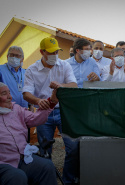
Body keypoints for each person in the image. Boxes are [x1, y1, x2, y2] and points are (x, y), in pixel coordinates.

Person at [22, 37, 78, 184]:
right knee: (46, 151)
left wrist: (61, 86)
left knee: (73, 147)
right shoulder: (32, 70)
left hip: (63, 112)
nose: (55, 55)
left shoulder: (64, 65)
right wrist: (38, 101)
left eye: (57, 52)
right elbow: (26, 93)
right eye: (51, 52)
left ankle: (68, 180)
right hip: (43, 113)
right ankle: (49, 180)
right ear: (42, 52)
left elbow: (73, 85)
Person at [0, 82, 58, 185]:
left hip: (22, 157)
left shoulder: (16, 109)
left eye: (9, 93)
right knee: (17, 177)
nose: (10, 96)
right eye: (4, 94)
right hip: (3, 163)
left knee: (47, 166)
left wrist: (52, 101)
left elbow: (36, 119)